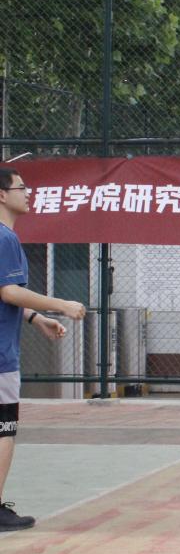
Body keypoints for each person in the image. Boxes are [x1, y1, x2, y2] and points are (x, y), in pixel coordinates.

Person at [0, 166, 87, 531]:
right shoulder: (5, 238)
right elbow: (8, 291)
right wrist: (61, 304)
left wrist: (35, 318)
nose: (28, 193)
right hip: (1, 358)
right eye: (21, 187)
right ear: (2, 195)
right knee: (4, 428)